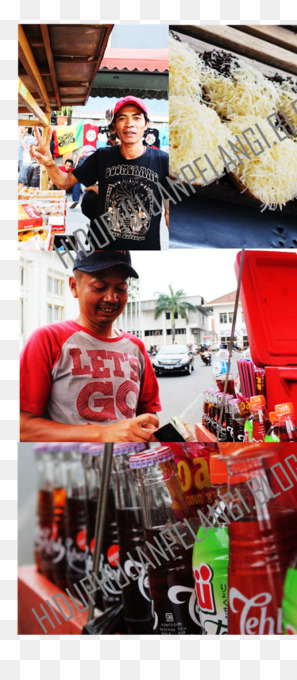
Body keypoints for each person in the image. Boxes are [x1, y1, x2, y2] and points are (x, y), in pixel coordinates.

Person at [19, 250, 161, 442]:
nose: (111, 298)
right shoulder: (47, 340)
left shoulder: (137, 347)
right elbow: (22, 428)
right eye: (99, 287)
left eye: (121, 288)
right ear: (73, 286)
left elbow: (149, 415)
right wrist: (103, 434)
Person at [30, 96, 169, 249]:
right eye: (122, 118)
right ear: (114, 126)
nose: (130, 124)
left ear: (146, 124)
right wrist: (49, 163)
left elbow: (170, 212)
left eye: (136, 118)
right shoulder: (102, 156)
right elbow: (64, 182)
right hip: (101, 251)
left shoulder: (162, 161)